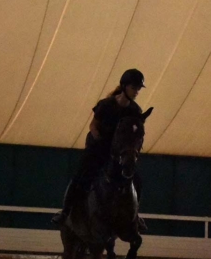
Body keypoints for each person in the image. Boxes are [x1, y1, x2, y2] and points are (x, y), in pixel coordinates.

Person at [53, 68, 147, 227]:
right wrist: (100, 139)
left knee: (136, 179)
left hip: (118, 152)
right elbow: (93, 125)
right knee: (80, 175)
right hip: (99, 148)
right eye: (134, 87)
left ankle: (135, 215)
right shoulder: (106, 104)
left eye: (138, 88)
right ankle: (65, 211)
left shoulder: (135, 110)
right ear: (124, 86)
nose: (136, 91)